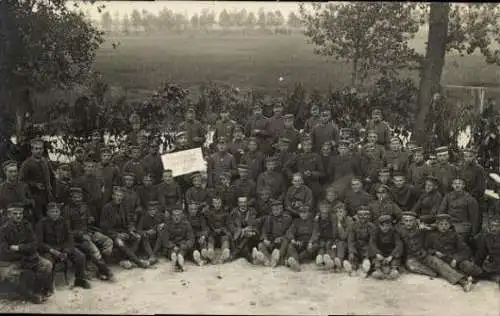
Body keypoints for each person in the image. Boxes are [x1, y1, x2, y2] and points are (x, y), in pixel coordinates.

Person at [0, 203, 53, 303]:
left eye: (20, 213)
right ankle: (29, 295)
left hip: (29, 257)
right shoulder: (3, 230)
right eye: (15, 214)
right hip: (14, 261)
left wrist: (20, 247)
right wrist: (24, 252)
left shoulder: (27, 225)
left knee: (47, 265)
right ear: (9, 215)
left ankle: (37, 292)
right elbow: (4, 251)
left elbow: (35, 244)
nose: (19, 216)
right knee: (10, 275)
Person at [35, 202, 91, 289]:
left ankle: (80, 280)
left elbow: (70, 238)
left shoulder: (63, 221)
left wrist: (66, 251)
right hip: (49, 249)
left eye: (57, 211)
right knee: (49, 262)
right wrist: (52, 251)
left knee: (80, 257)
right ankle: (48, 286)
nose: (55, 214)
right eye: (52, 212)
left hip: (63, 247)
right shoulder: (41, 223)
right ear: (47, 213)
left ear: (60, 212)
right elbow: (39, 243)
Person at [64, 186, 114, 281]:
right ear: (71, 197)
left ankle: (100, 270)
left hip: (89, 232)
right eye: (75, 197)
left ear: (82, 197)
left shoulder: (84, 206)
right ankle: (106, 271)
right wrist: (80, 235)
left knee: (108, 241)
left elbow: (89, 220)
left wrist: (91, 219)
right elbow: (68, 230)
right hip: (77, 238)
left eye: (79, 197)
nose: (77, 199)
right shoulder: (67, 209)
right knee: (94, 250)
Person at [424, 214, 481, 291]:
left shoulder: (454, 235)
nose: (443, 227)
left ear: (450, 225)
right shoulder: (431, 235)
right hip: (440, 260)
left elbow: (466, 250)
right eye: (441, 224)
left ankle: (481, 275)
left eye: (446, 224)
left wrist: (456, 259)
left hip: (452, 258)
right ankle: (463, 281)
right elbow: (426, 248)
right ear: (437, 225)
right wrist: (434, 252)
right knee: (441, 265)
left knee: (468, 266)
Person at [100, 186, 149, 269]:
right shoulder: (106, 208)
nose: (119, 198)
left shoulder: (123, 206)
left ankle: (126, 260)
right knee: (120, 242)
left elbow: (128, 221)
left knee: (137, 237)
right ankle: (138, 261)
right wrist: (117, 234)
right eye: (117, 195)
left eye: (121, 196)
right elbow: (103, 226)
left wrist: (130, 230)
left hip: (123, 231)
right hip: (111, 233)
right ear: (113, 196)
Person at [19, 138, 54, 224]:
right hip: (34, 197)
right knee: (38, 220)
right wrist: (34, 184)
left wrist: (51, 191)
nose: (39, 151)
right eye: (36, 149)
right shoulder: (26, 164)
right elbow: (21, 181)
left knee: (50, 218)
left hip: (47, 196)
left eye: (41, 148)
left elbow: (52, 177)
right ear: (32, 150)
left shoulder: (45, 161)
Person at [438, 176, 480, 243]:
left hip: (463, 225)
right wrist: (440, 224)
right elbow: (441, 211)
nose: (457, 185)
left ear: (463, 186)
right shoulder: (448, 196)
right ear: (452, 185)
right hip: (449, 224)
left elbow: (474, 217)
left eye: (459, 183)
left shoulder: (469, 199)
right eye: (455, 183)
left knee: (456, 241)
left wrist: (474, 233)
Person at [398, 211, 438, 278]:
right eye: (406, 221)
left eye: (411, 221)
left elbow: (436, 228)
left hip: (422, 253)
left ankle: (459, 278)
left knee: (436, 262)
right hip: (410, 257)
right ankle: (433, 273)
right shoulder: (399, 231)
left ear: (415, 221)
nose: (408, 223)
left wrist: (426, 227)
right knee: (411, 265)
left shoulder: (420, 228)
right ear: (402, 221)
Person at [255, 200, 293, 267]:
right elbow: (264, 230)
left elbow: (289, 232)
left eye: (277, 209)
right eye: (273, 210)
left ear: (281, 209)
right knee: (260, 245)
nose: (275, 212)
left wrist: (281, 238)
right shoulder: (269, 218)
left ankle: (279, 258)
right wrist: (265, 239)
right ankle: (268, 260)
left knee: (285, 241)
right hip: (272, 241)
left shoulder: (287, 218)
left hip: (281, 242)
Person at [369, 214, 403, 280]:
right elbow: (372, 243)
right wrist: (377, 253)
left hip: (391, 252)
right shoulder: (375, 231)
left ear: (390, 225)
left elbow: (398, 244)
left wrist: (391, 255)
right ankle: (377, 270)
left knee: (396, 257)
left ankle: (394, 270)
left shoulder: (395, 232)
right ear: (379, 225)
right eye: (382, 226)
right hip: (380, 251)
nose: (385, 228)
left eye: (387, 226)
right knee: (375, 258)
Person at [284, 205, 316, 272]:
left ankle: (294, 260)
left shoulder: (313, 222)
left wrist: (311, 242)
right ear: (299, 213)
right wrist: (293, 239)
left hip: (309, 243)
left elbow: (315, 233)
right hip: (300, 242)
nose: (303, 214)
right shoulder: (296, 222)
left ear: (308, 213)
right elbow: (289, 232)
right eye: (301, 213)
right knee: (290, 245)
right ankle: (296, 263)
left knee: (314, 246)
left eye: (305, 212)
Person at [345, 206, 375, 276]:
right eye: (360, 215)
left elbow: (372, 242)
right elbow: (351, 240)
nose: (363, 217)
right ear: (357, 216)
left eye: (365, 215)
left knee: (368, 259)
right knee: (353, 257)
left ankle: (366, 266)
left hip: (367, 248)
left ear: (368, 216)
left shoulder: (372, 227)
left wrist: (367, 254)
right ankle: (352, 268)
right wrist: (351, 251)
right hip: (357, 247)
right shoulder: (353, 226)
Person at [229, 196, 259, 262]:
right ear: (238, 203)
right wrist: (239, 230)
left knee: (248, 235)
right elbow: (231, 225)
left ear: (247, 202)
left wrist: (246, 230)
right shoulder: (234, 212)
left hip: (250, 235)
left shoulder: (252, 211)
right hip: (238, 236)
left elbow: (253, 224)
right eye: (241, 202)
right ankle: (246, 254)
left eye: (244, 202)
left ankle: (236, 252)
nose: (243, 204)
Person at [73, 159, 104, 224]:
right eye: (88, 166)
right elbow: (77, 196)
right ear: (84, 168)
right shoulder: (80, 180)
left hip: (97, 207)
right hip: (85, 208)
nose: (90, 169)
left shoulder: (98, 180)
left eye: (92, 167)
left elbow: (100, 193)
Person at [203, 195, 232, 264]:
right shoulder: (209, 213)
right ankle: (211, 255)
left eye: (219, 203)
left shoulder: (226, 213)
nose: (217, 205)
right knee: (210, 238)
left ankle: (223, 256)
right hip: (213, 233)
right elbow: (207, 225)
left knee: (225, 239)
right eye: (215, 203)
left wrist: (222, 229)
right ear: (212, 204)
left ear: (221, 203)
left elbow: (228, 224)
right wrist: (213, 230)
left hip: (222, 233)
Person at [474, 217, 500, 288]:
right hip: (491, 265)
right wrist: (477, 266)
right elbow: (481, 253)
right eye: (492, 226)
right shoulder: (486, 237)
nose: (494, 228)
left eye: (497, 226)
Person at [137, 200, 165, 266]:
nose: (152, 211)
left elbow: (168, 223)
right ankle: (152, 255)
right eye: (150, 210)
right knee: (144, 236)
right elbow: (138, 230)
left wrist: (163, 224)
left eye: (154, 209)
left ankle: (153, 254)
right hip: (148, 239)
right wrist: (146, 232)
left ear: (156, 209)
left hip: (157, 239)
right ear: (147, 210)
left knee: (161, 233)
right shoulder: (143, 217)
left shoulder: (160, 215)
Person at [310, 200, 336, 270]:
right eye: (322, 207)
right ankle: (319, 258)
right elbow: (315, 230)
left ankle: (329, 259)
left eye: (326, 207)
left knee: (329, 246)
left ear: (329, 208)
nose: (324, 209)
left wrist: (334, 238)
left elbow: (334, 229)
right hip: (321, 237)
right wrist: (311, 241)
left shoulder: (332, 217)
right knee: (321, 246)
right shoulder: (317, 218)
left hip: (330, 237)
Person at [185, 201, 209, 266]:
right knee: (190, 246)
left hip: (198, 236)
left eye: (195, 209)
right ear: (188, 209)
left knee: (203, 242)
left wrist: (203, 236)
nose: (193, 211)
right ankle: (196, 258)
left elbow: (206, 228)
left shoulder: (200, 217)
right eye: (191, 209)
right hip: (189, 238)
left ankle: (204, 255)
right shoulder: (184, 217)